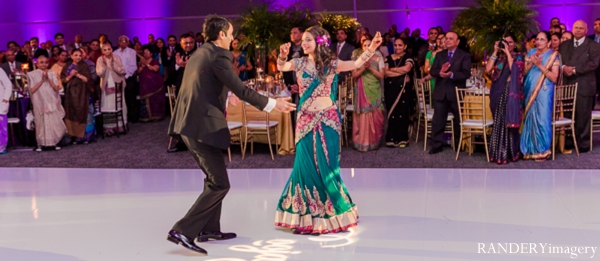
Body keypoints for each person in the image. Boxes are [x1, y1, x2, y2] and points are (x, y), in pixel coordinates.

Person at [166, 15, 296, 255]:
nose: (234, 37)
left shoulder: (201, 52)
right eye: (231, 33)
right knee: (219, 184)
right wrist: (273, 104)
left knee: (212, 178)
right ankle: (183, 230)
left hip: (191, 124)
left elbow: (204, 85)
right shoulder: (219, 55)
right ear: (221, 35)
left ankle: (209, 229)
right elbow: (241, 88)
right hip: (201, 127)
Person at [275, 26, 382, 234]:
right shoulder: (299, 62)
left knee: (329, 165)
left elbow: (356, 63)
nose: (304, 43)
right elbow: (282, 67)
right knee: (304, 166)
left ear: (319, 42)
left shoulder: (332, 64)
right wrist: (281, 56)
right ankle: (306, 216)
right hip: (305, 119)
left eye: (308, 40)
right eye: (303, 40)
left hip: (329, 119)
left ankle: (332, 211)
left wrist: (372, 49)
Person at [559, 20, 600, 153]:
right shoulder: (564, 44)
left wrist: (575, 69)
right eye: (576, 28)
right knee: (568, 114)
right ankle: (570, 142)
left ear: (586, 30)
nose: (578, 30)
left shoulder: (593, 46)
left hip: (584, 84)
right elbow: (558, 60)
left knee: (583, 115)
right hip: (567, 83)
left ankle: (584, 143)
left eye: (581, 28)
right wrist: (564, 67)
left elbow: (594, 64)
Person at [428, 32, 471, 154]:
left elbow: (466, 73)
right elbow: (433, 70)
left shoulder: (465, 55)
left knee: (458, 120)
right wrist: (440, 72)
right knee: (438, 120)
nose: (447, 40)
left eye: (451, 39)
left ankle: (458, 144)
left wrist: (451, 74)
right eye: (446, 38)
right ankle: (437, 144)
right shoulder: (440, 54)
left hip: (456, 92)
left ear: (457, 42)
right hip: (441, 91)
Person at [520, 31, 560, 161]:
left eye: (542, 39)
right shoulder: (531, 53)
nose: (538, 42)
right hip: (529, 88)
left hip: (544, 90)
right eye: (537, 39)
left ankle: (542, 150)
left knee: (542, 119)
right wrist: (531, 63)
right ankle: (529, 150)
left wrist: (539, 65)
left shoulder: (553, 55)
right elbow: (524, 73)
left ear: (548, 42)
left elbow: (554, 78)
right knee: (529, 118)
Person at [485, 33, 525, 164]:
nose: (508, 44)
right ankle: (497, 153)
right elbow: (488, 69)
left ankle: (510, 152)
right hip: (497, 91)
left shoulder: (519, 56)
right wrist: (495, 51)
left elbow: (514, 69)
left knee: (507, 121)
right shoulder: (498, 57)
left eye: (511, 42)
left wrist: (508, 52)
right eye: (505, 42)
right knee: (498, 121)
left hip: (509, 91)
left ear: (515, 44)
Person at [351, 35, 385, 151]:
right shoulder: (357, 58)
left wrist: (370, 67)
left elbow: (381, 75)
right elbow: (354, 75)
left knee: (377, 116)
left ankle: (374, 142)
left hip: (375, 91)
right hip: (362, 91)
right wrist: (363, 69)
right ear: (362, 47)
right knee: (363, 115)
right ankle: (361, 142)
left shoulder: (378, 57)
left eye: (369, 45)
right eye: (365, 45)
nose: (367, 47)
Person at [27, 55, 67, 152]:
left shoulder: (52, 72)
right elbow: (31, 90)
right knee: (41, 123)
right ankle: (40, 144)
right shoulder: (31, 74)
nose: (44, 64)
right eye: (41, 62)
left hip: (51, 100)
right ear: (37, 64)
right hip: (39, 101)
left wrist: (48, 79)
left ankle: (54, 143)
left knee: (53, 121)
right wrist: (42, 80)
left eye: (46, 62)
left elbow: (56, 88)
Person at [384, 38, 415, 148]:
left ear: (405, 46)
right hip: (390, 89)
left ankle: (402, 139)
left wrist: (392, 70)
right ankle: (391, 139)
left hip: (404, 90)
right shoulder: (388, 58)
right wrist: (400, 73)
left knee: (402, 113)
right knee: (392, 114)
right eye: (396, 45)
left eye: (400, 45)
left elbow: (407, 69)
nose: (397, 47)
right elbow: (385, 73)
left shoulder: (408, 57)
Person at [61, 49, 96, 144]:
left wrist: (78, 75)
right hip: (71, 94)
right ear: (71, 56)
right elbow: (63, 80)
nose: (78, 57)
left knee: (86, 113)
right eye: (76, 55)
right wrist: (71, 75)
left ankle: (87, 137)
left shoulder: (84, 66)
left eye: (80, 55)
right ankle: (76, 137)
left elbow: (88, 80)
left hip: (83, 93)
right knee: (73, 114)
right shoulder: (67, 66)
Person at [96, 43, 127, 136]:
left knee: (119, 104)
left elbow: (122, 71)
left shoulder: (116, 57)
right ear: (102, 51)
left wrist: (113, 64)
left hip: (117, 84)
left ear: (111, 50)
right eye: (105, 50)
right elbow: (99, 74)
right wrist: (105, 65)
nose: (107, 51)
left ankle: (120, 126)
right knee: (108, 105)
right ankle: (109, 128)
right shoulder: (100, 59)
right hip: (106, 85)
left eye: (109, 49)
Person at [137, 46, 165, 122]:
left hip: (155, 85)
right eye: (144, 53)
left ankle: (156, 116)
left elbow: (155, 69)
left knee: (155, 100)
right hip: (144, 85)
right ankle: (146, 117)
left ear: (151, 54)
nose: (145, 54)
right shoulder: (141, 62)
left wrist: (147, 64)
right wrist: (141, 67)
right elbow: (138, 72)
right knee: (145, 100)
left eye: (147, 52)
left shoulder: (154, 61)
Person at [0, 69, 11, 154]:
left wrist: (5, 99)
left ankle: (1, 147)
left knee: (1, 127)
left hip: (1, 103)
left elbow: (8, 84)